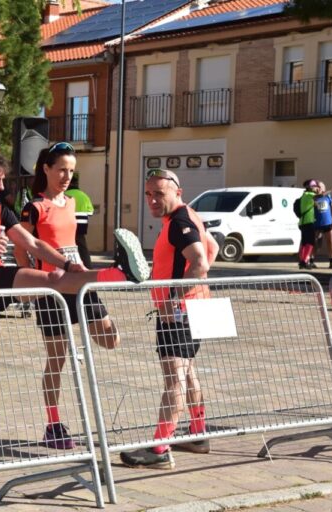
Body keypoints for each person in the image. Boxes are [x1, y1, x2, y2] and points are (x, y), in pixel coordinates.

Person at [0, 148, 149, 461]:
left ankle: (119, 274)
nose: (1, 187)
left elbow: (31, 243)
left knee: (53, 279)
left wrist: (68, 265)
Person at [14, 143, 120, 450]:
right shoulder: (34, 206)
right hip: (53, 288)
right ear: (46, 169)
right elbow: (22, 247)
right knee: (56, 359)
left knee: (111, 338)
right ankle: (53, 423)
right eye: (61, 169)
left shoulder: (72, 202)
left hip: (81, 280)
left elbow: (76, 240)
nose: (66, 176)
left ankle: (81, 335)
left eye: (71, 171)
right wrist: (30, 281)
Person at [120, 168, 219, 470]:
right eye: (148, 194)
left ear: (177, 192)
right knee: (187, 372)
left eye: (158, 193)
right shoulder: (189, 216)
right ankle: (198, 432)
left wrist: (176, 296)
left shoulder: (178, 222)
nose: (152, 199)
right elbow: (212, 248)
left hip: (179, 313)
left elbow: (200, 262)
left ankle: (160, 448)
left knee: (174, 378)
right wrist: (194, 287)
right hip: (196, 306)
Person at [64, 174, 95, 268]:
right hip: (82, 225)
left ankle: (71, 265)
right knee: (82, 246)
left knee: (67, 246)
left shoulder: (65, 195)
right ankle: (88, 265)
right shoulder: (84, 195)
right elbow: (90, 212)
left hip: (68, 224)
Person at [314, 181, 332, 269]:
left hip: (328, 223)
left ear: (323, 189)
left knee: (330, 242)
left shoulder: (328, 197)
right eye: (316, 187)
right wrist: (331, 190)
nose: (317, 188)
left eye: (319, 187)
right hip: (316, 224)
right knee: (315, 243)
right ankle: (311, 261)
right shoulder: (313, 197)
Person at [298, 179, 319, 269]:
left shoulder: (304, 195)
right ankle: (304, 261)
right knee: (311, 242)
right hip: (308, 222)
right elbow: (320, 195)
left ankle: (302, 261)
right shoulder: (310, 195)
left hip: (303, 222)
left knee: (305, 242)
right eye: (314, 186)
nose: (316, 188)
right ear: (309, 187)